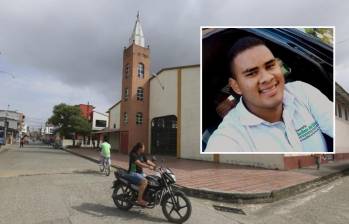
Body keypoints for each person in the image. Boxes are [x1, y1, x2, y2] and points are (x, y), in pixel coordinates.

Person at [205, 36, 333, 152]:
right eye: (251, 73)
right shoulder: (229, 138)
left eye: (270, 66)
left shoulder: (302, 92)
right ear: (236, 86)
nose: (267, 78)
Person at [127, 142, 156, 207]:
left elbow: (147, 161)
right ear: (139, 148)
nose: (144, 149)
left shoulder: (142, 154)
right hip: (133, 172)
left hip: (140, 173)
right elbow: (138, 163)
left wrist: (154, 165)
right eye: (143, 147)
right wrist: (148, 167)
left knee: (151, 180)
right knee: (144, 181)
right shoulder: (133, 154)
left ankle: (145, 196)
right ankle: (139, 199)